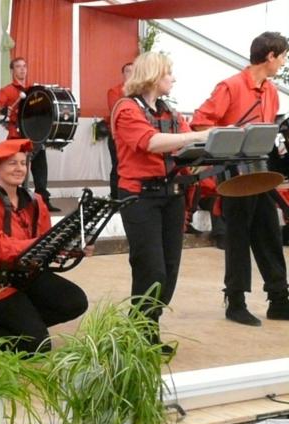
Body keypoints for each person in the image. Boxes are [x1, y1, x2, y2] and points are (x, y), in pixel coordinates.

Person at [111, 52, 210, 349]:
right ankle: (140, 334)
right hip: (140, 197)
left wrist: (215, 145)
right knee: (151, 269)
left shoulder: (169, 112)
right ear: (153, 75)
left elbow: (188, 145)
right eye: (169, 73)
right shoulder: (126, 109)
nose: (173, 79)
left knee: (169, 268)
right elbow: (151, 142)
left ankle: (145, 328)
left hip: (171, 196)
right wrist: (197, 137)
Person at [191, 31, 289, 326]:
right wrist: (231, 134)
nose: (284, 62)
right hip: (233, 175)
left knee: (270, 233)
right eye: (283, 56)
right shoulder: (230, 86)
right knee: (237, 238)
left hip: (260, 173)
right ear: (270, 56)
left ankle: (279, 300)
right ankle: (235, 302)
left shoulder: (271, 91)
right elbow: (200, 122)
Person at [0, 139, 89, 353]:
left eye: (23, 163)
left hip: (26, 276)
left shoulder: (35, 200)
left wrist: (74, 249)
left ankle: (19, 327)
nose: (20, 168)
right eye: (12, 163)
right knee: (37, 345)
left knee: (75, 302)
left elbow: (46, 246)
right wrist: (44, 243)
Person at [0, 57, 60, 212]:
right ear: (12, 70)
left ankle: (43, 201)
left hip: (34, 136)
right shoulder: (7, 91)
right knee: (19, 172)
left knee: (40, 170)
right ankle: (18, 202)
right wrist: (3, 110)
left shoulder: (32, 91)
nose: (22, 69)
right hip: (17, 137)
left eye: (24, 66)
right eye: (18, 66)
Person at [107, 62, 133, 199]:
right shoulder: (115, 91)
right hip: (118, 136)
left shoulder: (141, 91)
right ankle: (115, 196)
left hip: (134, 136)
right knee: (118, 165)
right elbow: (116, 110)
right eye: (128, 71)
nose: (131, 74)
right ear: (123, 74)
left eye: (134, 71)